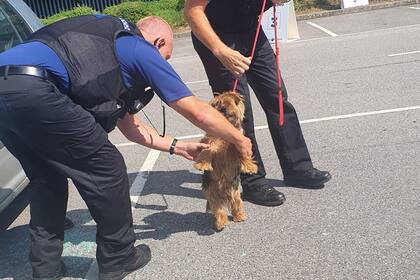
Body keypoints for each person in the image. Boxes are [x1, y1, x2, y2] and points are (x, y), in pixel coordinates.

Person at [0, 15, 252, 280]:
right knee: (108, 168)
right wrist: (239, 138)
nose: (163, 63)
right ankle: (119, 258)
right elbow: (196, 111)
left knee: (46, 179)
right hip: (35, 88)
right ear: (159, 42)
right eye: (166, 56)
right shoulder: (137, 47)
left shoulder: (101, 49)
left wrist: (177, 146)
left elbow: (131, 128)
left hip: (8, 89)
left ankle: (45, 269)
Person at [184, 0, 332, 207]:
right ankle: (253, 181)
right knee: (239, 114)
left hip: (250, 31)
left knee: (277, 97)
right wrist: (220, 51)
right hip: (217, 37)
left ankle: (297, 168)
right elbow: (192, 11)